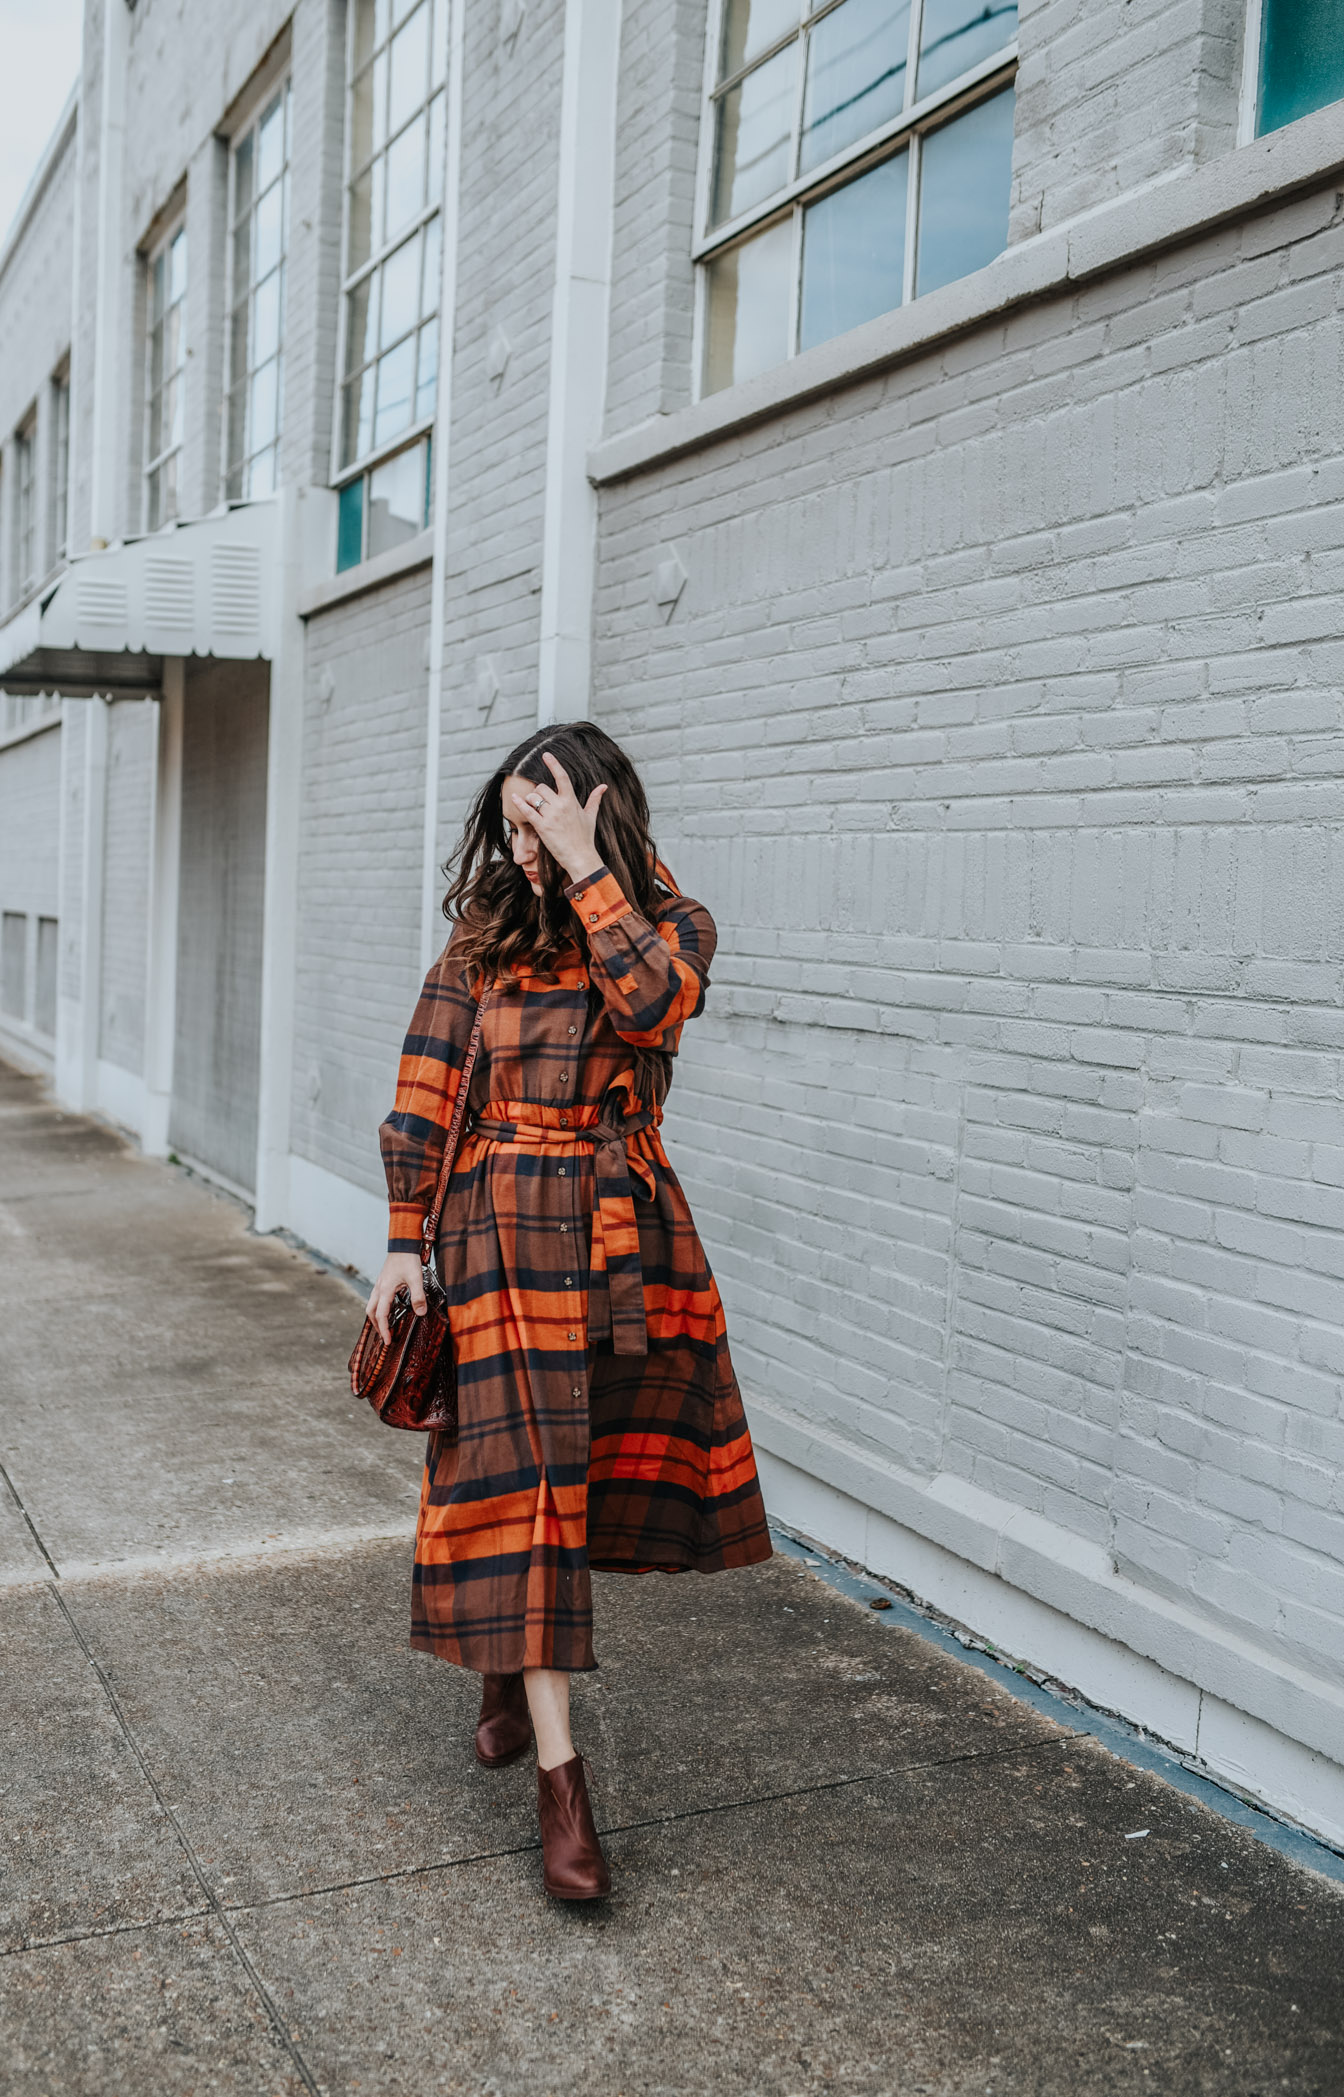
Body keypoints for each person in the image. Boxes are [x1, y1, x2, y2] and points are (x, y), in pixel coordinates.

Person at [368, 721, 772, 1901]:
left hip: (622, 1234)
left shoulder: (670, 925)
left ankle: (503, 1664)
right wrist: (403, 1239)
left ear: (592, 812)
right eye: (509, 821)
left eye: (539, 819)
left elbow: (651, 1010)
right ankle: (564, 1790)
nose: (520, 844)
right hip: (493, 1226)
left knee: (579, 1475)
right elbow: (427, 1082)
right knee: (530, 1481)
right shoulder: (481, 936)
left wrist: (589, 872)